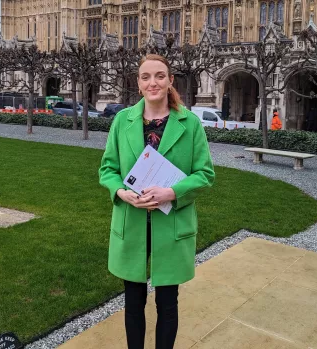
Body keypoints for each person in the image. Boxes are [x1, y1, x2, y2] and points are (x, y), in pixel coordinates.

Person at [99, 54, 215, 349]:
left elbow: (205, 174)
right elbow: (108, 169)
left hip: (171, 221)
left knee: (167, 302)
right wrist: (121, 192)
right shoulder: (122, 121)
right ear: (138, 83)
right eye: (146, 77)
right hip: (132, 220)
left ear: (170, 81)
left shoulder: (190, 125)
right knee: (133, 302)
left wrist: (172, 192)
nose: (153, 82)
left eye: (160, 76)